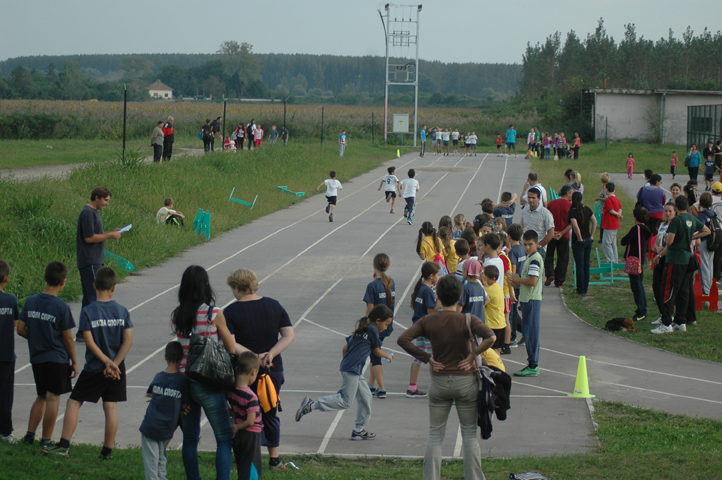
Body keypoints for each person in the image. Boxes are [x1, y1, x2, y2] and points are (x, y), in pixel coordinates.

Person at [397, 275, 495, 480]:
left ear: (438, 296)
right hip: (466, 381)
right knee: (469, 435)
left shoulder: (428, 320)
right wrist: (473, 355)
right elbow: (491, 337)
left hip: (440, 381)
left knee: (435, 435)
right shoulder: (469, 319)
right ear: (461, 297)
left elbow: (403, 339)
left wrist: (427, 358)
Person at [45, 267, 133, 459]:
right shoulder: (122, 311)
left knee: (74, 402)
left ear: (94, 286)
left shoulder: (88, 311)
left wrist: (106, 362)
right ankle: (107, 451)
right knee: (110, 407)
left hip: (95, 367)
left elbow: (89, 341)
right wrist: (115, 364)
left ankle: (64, 445)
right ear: (114, 288)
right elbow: (128, 340)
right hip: (117, 369)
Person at [223, 268, 294, 472]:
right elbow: (288, 335)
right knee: (270, 412)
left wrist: (254, 357)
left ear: (237, 287)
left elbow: (232, 344)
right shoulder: (273, 305)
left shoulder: (231, 311)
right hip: (273, 370)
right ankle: (274, 458)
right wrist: (269, 354)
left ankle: (246, 456)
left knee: (243, 413)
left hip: (245, 372)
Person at [170, 265, 236, 479]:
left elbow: (180, 347)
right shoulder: (213, 313)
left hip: (184, 379)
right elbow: (231, 347)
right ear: (205, 286)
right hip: (207, 379)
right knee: (224, 438)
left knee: (190, 439)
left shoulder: (177, 315)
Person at [296, 304, 392, 439]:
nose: (386, 328)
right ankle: (312, 405)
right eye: (386, 324)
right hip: (352, 369)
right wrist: (387, 355)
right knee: (346, 401)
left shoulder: (362, 329)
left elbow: (345, 348)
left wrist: (347, 364)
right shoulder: (373, 330)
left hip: (352, 369)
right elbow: (376, 351)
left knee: (366, 397)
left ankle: (359, 430)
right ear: (378, 321)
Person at [17, 262, 76, 447]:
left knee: (41, 395)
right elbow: (68, 338)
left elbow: (20, 329)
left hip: (37, 357)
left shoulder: (31, 301)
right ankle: (46, 440)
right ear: (63, 282)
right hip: (56, 358)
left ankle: (29, 435)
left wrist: (35, 338)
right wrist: (74, 360)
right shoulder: (61, 307)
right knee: (53, 398)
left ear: (44, 278)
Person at [652, 196, 709, 334]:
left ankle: (666, 323)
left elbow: (670, 242)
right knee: (684, 291)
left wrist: (668, 237)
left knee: (668, 290)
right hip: (687, 259)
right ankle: (680, 321)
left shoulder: (676, 220)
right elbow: (707, 231)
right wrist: (691, 237)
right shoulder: (691, 218)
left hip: (675, 259)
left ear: (676, 207)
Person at [76, 187, 122, 342]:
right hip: (90, 260)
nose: (107, 204)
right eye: (105, 200)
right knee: (93, 296)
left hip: (95, 260)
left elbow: (96, 235)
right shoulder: (87, 213)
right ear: (96, 198)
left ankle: (83, 332)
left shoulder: (94, 214)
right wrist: (109, 235)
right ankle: (90, 332)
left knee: (89, 296)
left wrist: (110, 232)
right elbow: (89, 238)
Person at [140, 342, 190, 480]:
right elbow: (186, 403)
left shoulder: (158, 377)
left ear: (165, 357)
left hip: (151, 426)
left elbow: (150, 394)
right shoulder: (182, 381)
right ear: (182, 359)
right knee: (161, 458)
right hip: (167, 429)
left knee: (151, 462)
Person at [511, 230, 544, 377]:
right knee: (528, 332)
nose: (527, 247)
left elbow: (532, 281)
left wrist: (517, 279)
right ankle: (531, 362)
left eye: (530, 244)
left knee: (530, 333)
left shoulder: (535, 259)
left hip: (531, 300)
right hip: (526, 299)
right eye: (525, 244)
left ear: (537, 244)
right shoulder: (530, 258)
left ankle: (533, 364)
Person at [363, 254, 395, 399]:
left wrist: (365, 324)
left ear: (374, 266)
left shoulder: (372, 286)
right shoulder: (390, 282)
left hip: (375, 324)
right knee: (375, 351)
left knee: (375, 356)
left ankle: (382, 388)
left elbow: (370, 309)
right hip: (386, 324)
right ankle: (371, 383)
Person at [407, 262, 441, 399]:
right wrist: (439, 300)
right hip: (427, 328)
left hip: (419, 326)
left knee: (419, 357)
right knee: (433, 357)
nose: (439, 277)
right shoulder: (427, 291)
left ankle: (412, 387)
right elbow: (431, 311)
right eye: (438, 274)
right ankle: (436, 388)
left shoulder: (421, 288)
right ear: (431, 276)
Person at [228, 352, 263, 480]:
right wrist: (238, 426)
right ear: (253, 372)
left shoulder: (232, 391)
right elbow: (250, 421)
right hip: (250, 435)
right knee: (252, 465)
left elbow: (230, 408)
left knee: (242, 464)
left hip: (238, 436)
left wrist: (234, 420)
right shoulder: (251, 396)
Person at [0, 259, 19, 444]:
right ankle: (5, 431)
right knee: (5, 394)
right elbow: (15, 324)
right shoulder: (11, 300)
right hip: (5, 354)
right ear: (6, 278)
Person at [621, 207, 652, 322]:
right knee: (640, 284)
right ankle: (643, 308)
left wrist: (625, 237)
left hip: (634, 260)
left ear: (635, 217)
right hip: (641, 260)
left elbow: (624, 241)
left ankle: (641, 311)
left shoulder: (636, 229)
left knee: (636, 286)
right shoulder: (646, 229)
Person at [651, 202, 677, 324]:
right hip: (659, 257)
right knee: (656, 286)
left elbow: (671, 244)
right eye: (666, 211)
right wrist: (657, 249)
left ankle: (668, 315)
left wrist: (661, 253)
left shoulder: (675, 226)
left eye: (670, 211)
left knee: (664, 289)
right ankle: (662, 314)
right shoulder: (662, 225)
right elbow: (656, 241)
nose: (667, 213)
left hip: (667, 258)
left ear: (674, 212)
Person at [544, 185, 573, 288]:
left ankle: (549, 274)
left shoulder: (552, 203)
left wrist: (553, 232)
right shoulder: (570, 206)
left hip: (551, 234)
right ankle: (559, 281)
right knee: (563, 258)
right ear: (568, 193)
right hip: (564, 235)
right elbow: (571, 223)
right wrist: (561, 233)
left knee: (549, 255)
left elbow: (546, 218)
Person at [568, 193, 597, 295]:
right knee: (586, 265)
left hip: (578, 241)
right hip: (588, 239)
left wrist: (579, 238)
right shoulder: (587, 209)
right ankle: (585, 288)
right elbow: (594, 221)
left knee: (579, 266)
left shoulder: (573, 212)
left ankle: (580, 289)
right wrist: (592, 235)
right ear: (581, 199)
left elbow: (575, 226)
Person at [520, 187, 554, 260]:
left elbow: (551, 233)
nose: (530, 200)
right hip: (525, 248)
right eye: (529, 197)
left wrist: (540, 246)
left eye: (533, 198)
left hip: (539, 250)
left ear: (539, 199)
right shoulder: (524, 211)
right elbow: (521, 227)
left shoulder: (545, 213)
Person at [696, 193, 718, 296]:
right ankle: (708, 286)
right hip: (713, 241)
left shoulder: (702, 215)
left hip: (704, 241)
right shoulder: (713, 213)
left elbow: (699, 228)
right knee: (710, 264)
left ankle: (706, 289)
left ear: (700, 202)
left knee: (703, 265)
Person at [482, 265, 505, 355]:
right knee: (498, 350)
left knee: (492, 351)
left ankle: (494, 367)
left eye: (485, 278)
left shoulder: (489, 290)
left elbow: (483, 304)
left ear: (492, 278)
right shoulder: (498, 288)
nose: (484, 280)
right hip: (501, 324)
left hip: (493, 325)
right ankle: (499, 367)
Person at [602, 182, 622, 264]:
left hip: (609, 224)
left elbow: (610, 210)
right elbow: (620, 208)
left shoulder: (609, 199)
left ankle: (611, 261)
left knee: (606, 243)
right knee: (613, 243)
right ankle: (615, 260)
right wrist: (619, 213)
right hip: (615, 224)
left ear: (607, 189)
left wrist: (617, 214)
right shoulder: (616, 198)